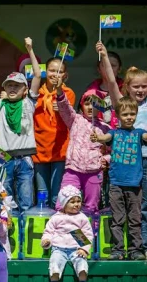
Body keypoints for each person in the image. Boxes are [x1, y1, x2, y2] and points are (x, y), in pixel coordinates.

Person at [0, 38, 41, 214]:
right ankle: (7, 234)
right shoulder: (0, 104)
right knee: (5, 201)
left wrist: (30, 50)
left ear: (25, 90)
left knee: (26, 201)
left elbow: (37, 75)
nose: (12, 88)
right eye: (9, 85)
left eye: (17, 86)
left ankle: (24, 237)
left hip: (26, 157)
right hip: (4, 158)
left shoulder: (29, 103)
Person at [97, 41, 147, 253]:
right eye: (136, 86)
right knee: (122, 210)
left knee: (142, 209)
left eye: (144, 86)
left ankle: (141, 247)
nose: (141, 90)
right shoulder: (123, 103)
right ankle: (122, 247)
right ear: (127, 87)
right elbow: (110, 80)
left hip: (145, 162)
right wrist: (105, 56)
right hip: (125, 166)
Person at [91, 97, 147, 260]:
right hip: (116, 184)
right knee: (117, 219)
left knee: (135, 219)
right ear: (118, 116)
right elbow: (104, 138)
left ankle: (135, 249)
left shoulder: (139, 133)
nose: (129, 117)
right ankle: (118, 250)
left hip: (134, 184)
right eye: (125, 114)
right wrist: (97, 137)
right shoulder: (114, 133)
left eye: (132, 114)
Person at [54, 76, 110, 216]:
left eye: (95, 104)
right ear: (81, 106)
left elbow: (116, 149)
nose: (90, 107)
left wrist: (107, 159)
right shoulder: (75, 120)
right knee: (63, 203)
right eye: (87, 104)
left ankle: (90, 234)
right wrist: (59, 90)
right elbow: (64, 107)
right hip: (73, 170)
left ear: (100, 108)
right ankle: (63, 232)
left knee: (91, 207)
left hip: (94, 172)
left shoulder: (106, 128)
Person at [33, 57, 76, 207]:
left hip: (60, 149)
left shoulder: (68, 93)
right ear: (45, 72)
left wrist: (63, 106)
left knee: (56, 194)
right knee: (42, 193)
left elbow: (70, 118)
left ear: (65, 75)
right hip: (40, 149)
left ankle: (57, 227)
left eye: (59, 71)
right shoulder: (36, 94)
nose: (55, 74)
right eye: (52, 70)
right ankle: (42, 228)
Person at [41, 185, 93, 282]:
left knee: (82, 263)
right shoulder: (56, 217)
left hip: (76, 249)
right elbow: (48, 231)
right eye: (72, 202)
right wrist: (46, 241)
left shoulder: (81, 218)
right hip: (58, 248)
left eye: (79, 201)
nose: (76, 204)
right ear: (64, 204)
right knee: (55, 262)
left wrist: (84, 249)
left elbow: (87, 234)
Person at [83, 50, 123, 128]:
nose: (109, 69)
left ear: (119, 69)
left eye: (113, 65)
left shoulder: (126, 88)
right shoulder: (91, 91)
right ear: (98, 69)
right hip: (98, 133)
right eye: (105, 65)